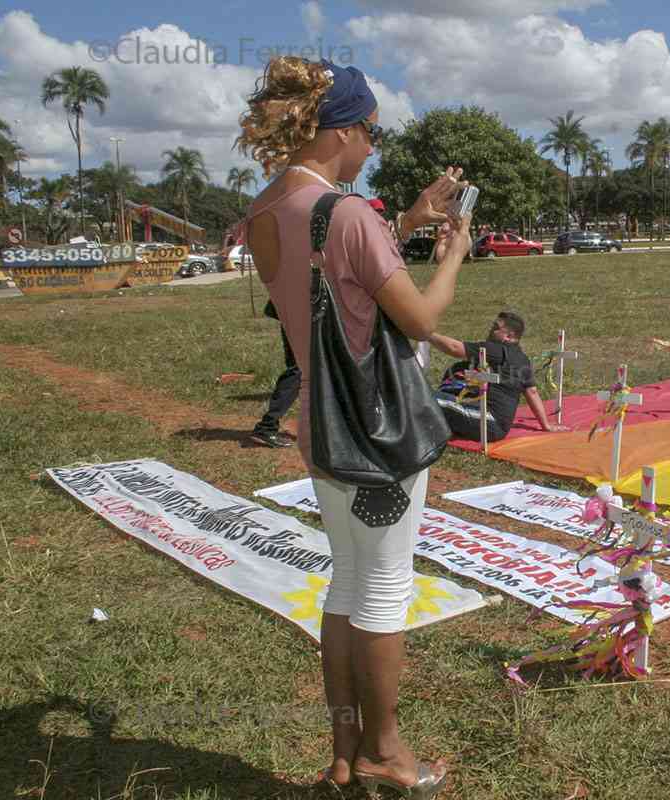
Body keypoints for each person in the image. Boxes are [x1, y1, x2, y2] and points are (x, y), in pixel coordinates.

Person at [236, 56, 472, 797]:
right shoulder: (347, 214)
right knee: (383, 591)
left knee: (346, 585)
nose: (372, 147)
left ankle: (344, 752)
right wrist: (453, 254)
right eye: (369, 131)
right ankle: (385, 753)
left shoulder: (270, 205)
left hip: (322, 423)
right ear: (340, 129)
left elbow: (320, 282)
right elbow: (421, 318)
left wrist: (400, 224)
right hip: (378, 431)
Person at [429, 311, 568, 440]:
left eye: (496, 327)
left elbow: (455, 348)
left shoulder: (496, 350)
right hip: (499, 428)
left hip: (487, 420)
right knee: (457, 372)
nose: (491, 330)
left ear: (509, 336)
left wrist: (425, 333)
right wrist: (546, 425)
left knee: (424, 397)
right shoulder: (522, 358)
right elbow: (532, 392)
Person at [247, 299, 300, 448]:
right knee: (299, 370)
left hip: (297, 312)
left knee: (306, 369)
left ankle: (323, 426)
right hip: (298, 313)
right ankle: (266, 427)